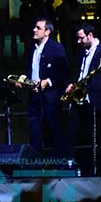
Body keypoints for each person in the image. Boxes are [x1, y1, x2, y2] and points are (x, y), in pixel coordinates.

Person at [65, 23, 101, 176]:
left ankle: (97, 170)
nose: (78, 41)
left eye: (81, 38)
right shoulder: (82, 53)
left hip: (95, 100)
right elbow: (79, 73)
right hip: (80, 99)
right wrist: (72, 84)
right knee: (78, 135)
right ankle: (81, 169)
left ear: (90, 35)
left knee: (95, 136)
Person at [25, 18, 69, 158]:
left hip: (51, 96)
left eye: (38, 28)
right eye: (34, 27)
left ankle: (57, 162)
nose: (34, 30)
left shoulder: (56, 48)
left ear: (47, 32)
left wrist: (48, 81)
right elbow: (32, 70)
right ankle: (36, 161)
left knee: (54, 129)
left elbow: (64, 71)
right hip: (34, 96)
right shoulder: (32, 48)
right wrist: (25, 80)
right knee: (34, 130)